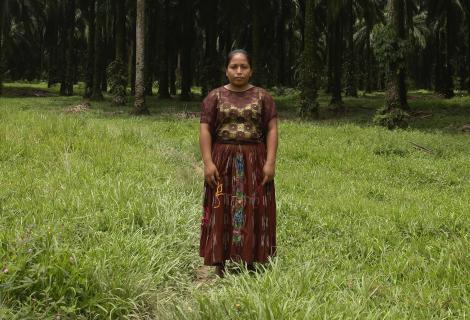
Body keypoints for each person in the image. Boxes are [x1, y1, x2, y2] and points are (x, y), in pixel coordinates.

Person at [198, 49, 278, 277]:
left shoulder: (263, 97)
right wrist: (207, 162)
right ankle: (220, 260)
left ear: (251, 70)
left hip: (255, 159)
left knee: (255, 206)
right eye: (234, 66)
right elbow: (205, 129)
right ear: (226, 70)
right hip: (222, 160)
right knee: (221, 205)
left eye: (244, 66)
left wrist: (270, 162)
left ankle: (253, 259)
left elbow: (272, 129)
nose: (239, 71)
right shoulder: (214, 97)